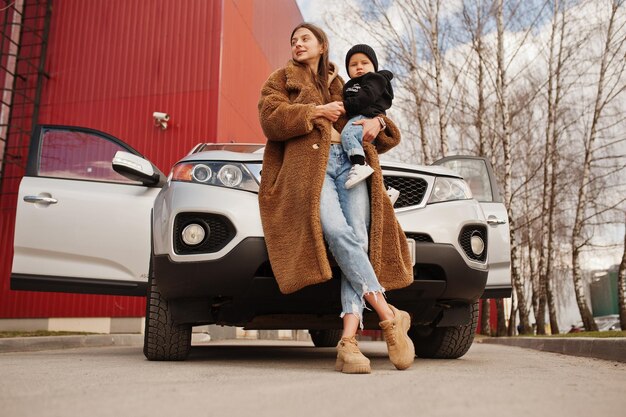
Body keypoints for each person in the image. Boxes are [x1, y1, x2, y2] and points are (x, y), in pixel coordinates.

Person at [258, 22, 415, 374]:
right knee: (337, 231)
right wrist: (314, 112)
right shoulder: (281, 79)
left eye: (305, 39)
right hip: (311, 172)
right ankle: (389, 315)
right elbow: (270, 120)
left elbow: (374, 118)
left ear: (321, 44)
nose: (297, 43)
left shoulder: (342, 84)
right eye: (293, 39)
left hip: (349, 165)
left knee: (357, 238)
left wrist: (379, 122)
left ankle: (348, 343)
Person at [341, 44, 394, 190]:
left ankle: (359, 164)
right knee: (371, 157)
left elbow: (367, 96)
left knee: (348, 135)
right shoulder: (350, 85)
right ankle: (385, 190)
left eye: (365, 63)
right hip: (359, 116)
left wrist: (345, 105)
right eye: (353, 64)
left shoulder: (375, 79)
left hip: (365, 116)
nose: (359, 67)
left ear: (374, 66)